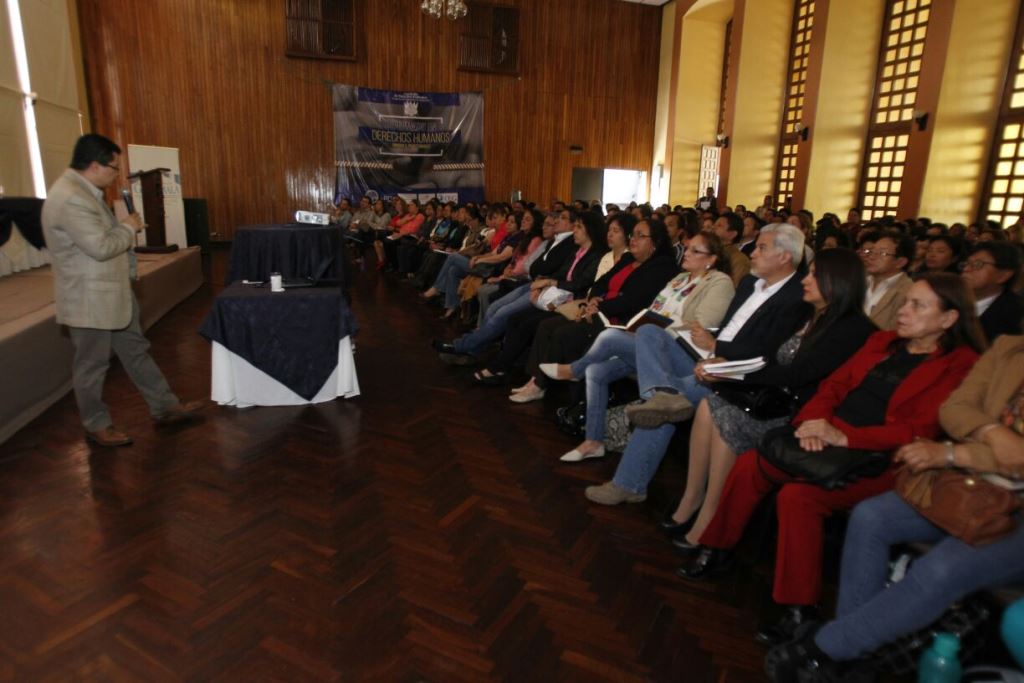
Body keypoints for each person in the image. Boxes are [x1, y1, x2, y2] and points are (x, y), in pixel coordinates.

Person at [682, 273, 984, 647]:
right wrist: (815, 422)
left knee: (798, 497)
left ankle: (798, 607)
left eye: (917, 305)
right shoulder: (882, 341)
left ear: (949, 319)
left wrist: (845, 436)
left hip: (884, 457)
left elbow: (919, 430)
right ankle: (718, 546)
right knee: (752, 465)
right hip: (825, 435)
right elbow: (834, 386)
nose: (903, 312)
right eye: (905, 302)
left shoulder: (962, 365)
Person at [765, 334, 1024, 683]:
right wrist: (993, 432)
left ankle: (821, 648)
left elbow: (1017, 457)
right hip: (968, 485)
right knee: (872, 517)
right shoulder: (1010, 347)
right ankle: (852, 655)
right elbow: (955, 408)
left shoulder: (959, 355)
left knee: (942, 568)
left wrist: (958, 453)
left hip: (1012, 510)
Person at [663, 250, 876, 559]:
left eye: (814, 275)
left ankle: (711, 512)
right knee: (711, 404)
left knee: (727, 415)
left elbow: (799, 374)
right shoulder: (810, 314)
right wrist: (725, 368)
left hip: (802, 413)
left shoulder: (851, 328)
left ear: (837, 282)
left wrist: (732, 376)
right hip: (778, 398)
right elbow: (770, 357)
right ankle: (693, 497)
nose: (806, 280)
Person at [583, 223, 812, 505]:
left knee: (664, 404)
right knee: (649, 335)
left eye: (762, 247)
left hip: (737, 373)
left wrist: (717, 347)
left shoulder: (795, 297)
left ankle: (629, 482)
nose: (752, 253)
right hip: (708, 356)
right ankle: (661, 395)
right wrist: (715, 342)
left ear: (784, 256)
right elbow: (729, 328)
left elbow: (767, 351)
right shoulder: (752, 283)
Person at [40, 134, 202, 447]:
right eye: (113, 168)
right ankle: (95, 424)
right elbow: (100, 247)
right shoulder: (70, 197)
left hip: (112, 295)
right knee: (92, 365)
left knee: (136, 351)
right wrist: (128, 227)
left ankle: (165, 407)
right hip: (90, 301)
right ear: (95, 165)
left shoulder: (85, 191)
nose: (116, 174)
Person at [543, 230, 735, 462]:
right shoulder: (679, 279)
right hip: (651, 344)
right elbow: (654, 310)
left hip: (681, 354)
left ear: (712, 259)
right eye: (688, 248)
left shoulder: (719, 282)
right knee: (597, 370)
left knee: (610, 337)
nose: (687, 253)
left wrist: (656, 327)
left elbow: (702, 327)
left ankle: (574, 370)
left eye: (696, 251)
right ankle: (593, 442)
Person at [512, 216, 678, 404]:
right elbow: (600, 283)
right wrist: (593, 300)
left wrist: (599, 306)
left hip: (621, 320)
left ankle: (549, 390)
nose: (634, 239)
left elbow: (633, 301)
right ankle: (535, 380)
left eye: (641, 236)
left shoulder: (660, 267)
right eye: (634, 234)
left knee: (563, 333)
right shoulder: (628, 259)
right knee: (546, 326)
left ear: (654, 242)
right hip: (599, 310)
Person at [960, 241, 1023, 342]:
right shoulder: (950, 297)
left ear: (1003, 275)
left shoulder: (1015, 316)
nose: (966, 269)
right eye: (966, 263)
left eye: (977, 264)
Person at [862, 230, 913, 330]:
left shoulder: (908, 291)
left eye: (882, 253)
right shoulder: (860, 281)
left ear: (900, 262)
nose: (871, 257)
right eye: (872, 251)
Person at [712, 212, 752, 286]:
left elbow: (733, 288)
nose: (713, 228)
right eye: (714, 224)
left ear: (732, 234)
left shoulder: (739, 259)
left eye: (719, 225)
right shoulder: (710, 251)